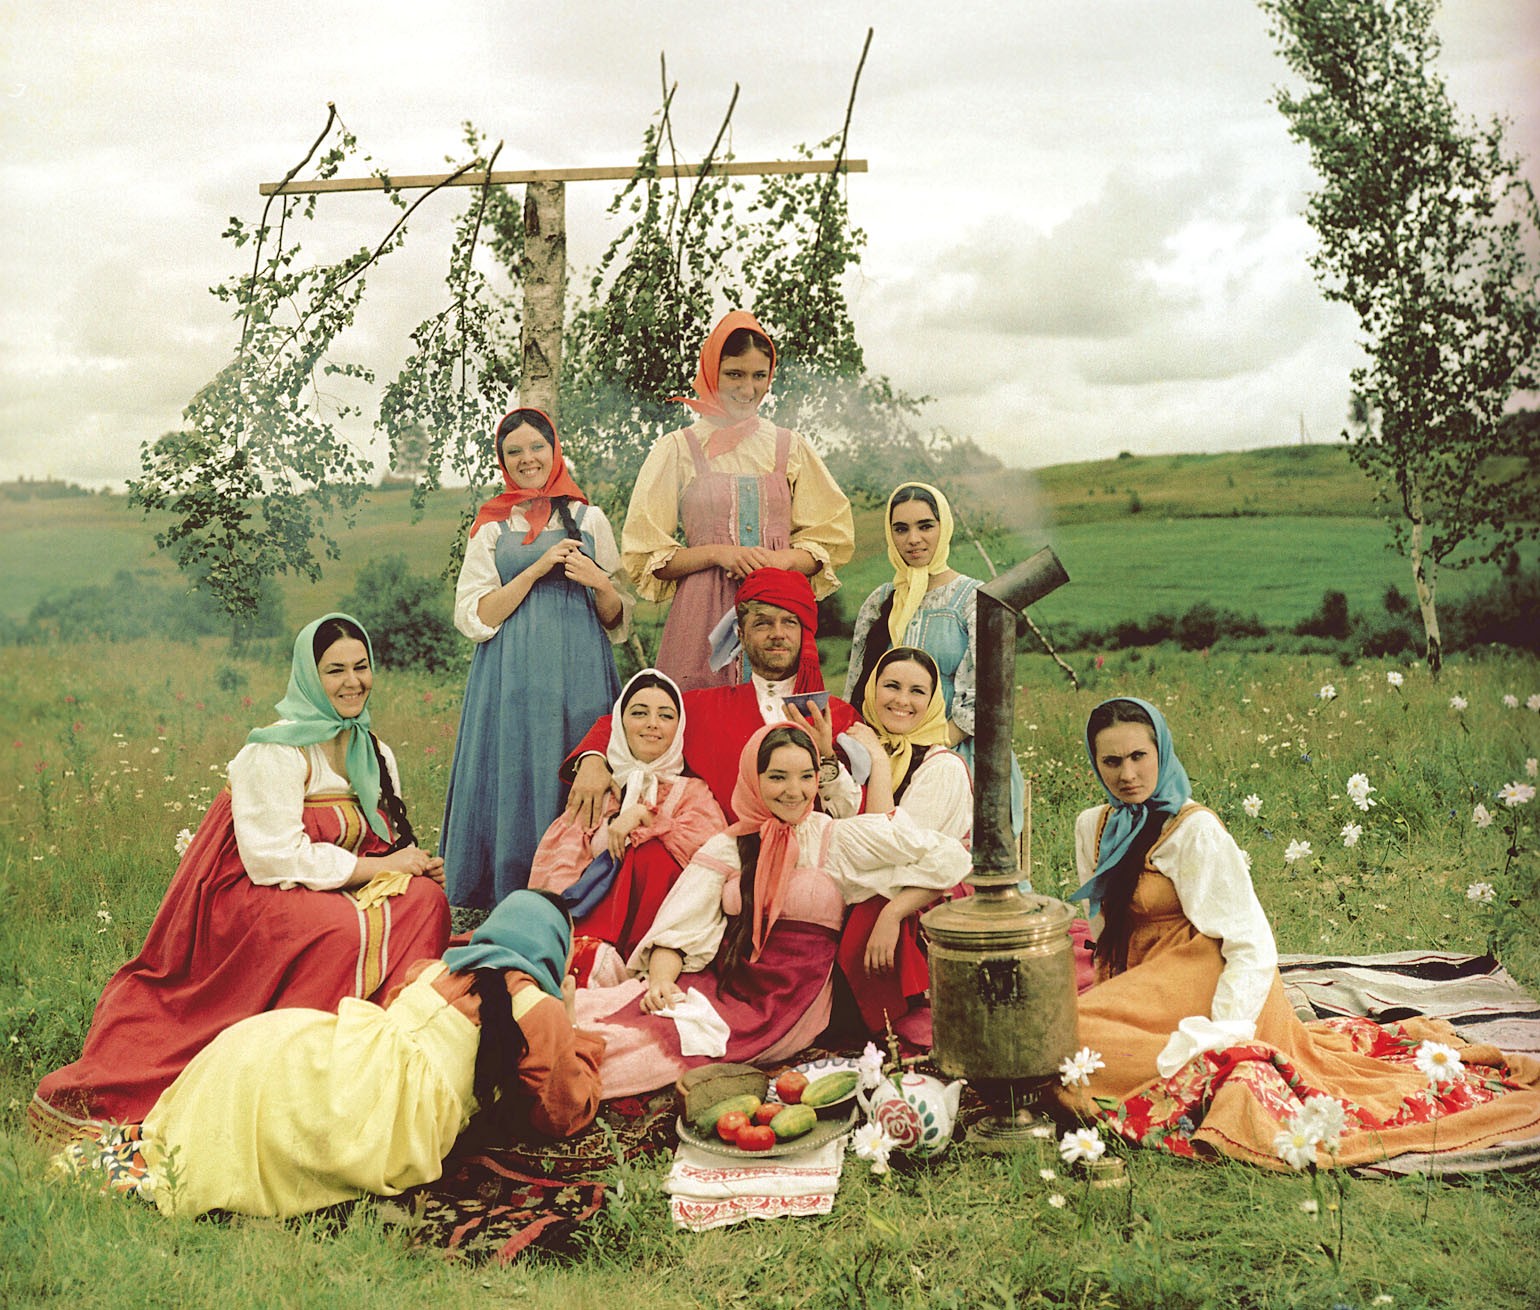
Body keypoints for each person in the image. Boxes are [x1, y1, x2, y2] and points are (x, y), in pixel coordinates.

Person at [1055, 697, 1540, 1169]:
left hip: (1208, 980)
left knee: (1067, 1046)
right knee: (1056, 1037)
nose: (1128, 774)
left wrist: (1225, 1033)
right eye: (1112, 761)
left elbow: (1248, 940)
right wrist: (1118, 991)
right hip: (1150, 982)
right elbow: (1103, 923)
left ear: (1161, 751)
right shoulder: (1092, 825)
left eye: (1139, 756)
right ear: (1095, 764)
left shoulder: (1193, 831)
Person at [30, 614, 450, 1143]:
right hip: (250, 889)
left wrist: (410, 863)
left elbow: (376, 841)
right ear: (309, 676)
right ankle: (290, 1068)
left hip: (333, 880)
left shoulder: (374, 749)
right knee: (337, 929)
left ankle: (379, 1052)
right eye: (335, 670)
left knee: (427, 901)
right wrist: (381, 868)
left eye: (361, 667)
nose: (352, 682)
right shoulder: (275, 750)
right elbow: (274, 857)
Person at [55, 891, 605, 1219]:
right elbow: (560, 1112)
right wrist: (571, 1018)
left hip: (326, 1044)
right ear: (551, 948)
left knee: (268, 1084)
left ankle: (170, 1149)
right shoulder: (539, 1009)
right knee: (306, 1123)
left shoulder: (436, 969)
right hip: (381, 1107)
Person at [573, 723, 971, 1097]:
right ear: (753, 778)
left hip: (789, 1009)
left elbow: (948, 857)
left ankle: (562, 1074)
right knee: (622, 1013)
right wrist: (661, 980)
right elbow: (680, 925)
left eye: (806, 776)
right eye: (778, 777)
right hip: (726, 984)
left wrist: (893, 913)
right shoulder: (730, 845)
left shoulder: (834, 838)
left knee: (661, 1044)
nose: (794, 791)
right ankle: (548, 1039)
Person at [440, 406, 628, 923]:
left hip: (580, 670)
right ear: (502, 462)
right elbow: (475, 616)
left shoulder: (590, 520)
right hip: (509, 675)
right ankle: (506, 898)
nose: (527, 459)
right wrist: (536, 569)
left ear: (554, 449)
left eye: (537, 447)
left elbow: (615, 619)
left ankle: (580, 893)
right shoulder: (492, 526)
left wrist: (601, 583)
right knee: (516, 768)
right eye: (514, 452)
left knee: (576, 765)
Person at [621, 310, 854, 691]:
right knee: (703, 712)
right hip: (702, 618)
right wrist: (718, 553)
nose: (748, 389)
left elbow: (830, 540)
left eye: (759, 376)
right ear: (712, 372)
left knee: (780, 722)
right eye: (735, 374)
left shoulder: (789, 447)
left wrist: (782, 560)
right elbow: (648, 556)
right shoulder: (679, 449)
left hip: (778, 614)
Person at [563, 568, 861, 826]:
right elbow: (624, 721)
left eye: (789, 622)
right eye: (763, 623)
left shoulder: (839, 716)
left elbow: (858, 812)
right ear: (741, 634)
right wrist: (593, 760)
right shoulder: (703, 708)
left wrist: (827, 758)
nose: (777, 633)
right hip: (720, 856)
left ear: (804, 632)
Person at [844, 480, 1023, 835]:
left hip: (957, 753)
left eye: (925, 526)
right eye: (901, 529)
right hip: (885, 756)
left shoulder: (974, 598)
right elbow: (856, 686)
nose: (913, 539)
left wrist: (931, 747)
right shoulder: (879, 601)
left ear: (944, 528)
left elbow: (989, 697)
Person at [530, 669, 725, 977]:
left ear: (679, 727)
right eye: (639, 713)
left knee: (649, 853)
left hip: (664, 931)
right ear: (620, 724)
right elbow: (561, 864)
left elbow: (710, 857)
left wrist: (644, 818)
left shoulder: (693, 792)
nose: (652, 724)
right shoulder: (598, 790)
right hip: (593, 924)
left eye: (665, 716)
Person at [836, 647, 973, 1040]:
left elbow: (889, 847)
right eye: (891, 686)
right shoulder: (854, 750)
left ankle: (879, 1019)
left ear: (933, 701)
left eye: (917, 691)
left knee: (868, 913)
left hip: (923, 892)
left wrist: (892, 914)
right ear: (872, 688)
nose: (902, 700)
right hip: (868, 885)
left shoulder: (942, 767)